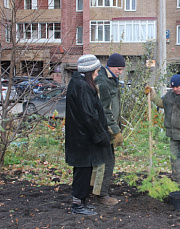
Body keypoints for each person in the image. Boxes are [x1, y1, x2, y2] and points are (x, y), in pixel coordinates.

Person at [65, 54, 113, 215]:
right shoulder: (82, 87)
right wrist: (101, 136)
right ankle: (78, 204)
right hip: (83, 139)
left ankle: (81, 201)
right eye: (96, 70)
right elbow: (89, 116)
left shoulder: (79, 83)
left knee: (84, 170)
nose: (98, 73)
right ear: (89, 71)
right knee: (82, 171)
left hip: (81, 138)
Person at [92, 53, 125, 205]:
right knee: (107, 162)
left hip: (105, 129)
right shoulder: (103, 82)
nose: (121, 72)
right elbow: (104, 110)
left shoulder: (111, 80)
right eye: (119, 68)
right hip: (103, 129)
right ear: (111, 66)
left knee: (100, 161)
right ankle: (102, 195)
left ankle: (92, 189)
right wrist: (115, 130)